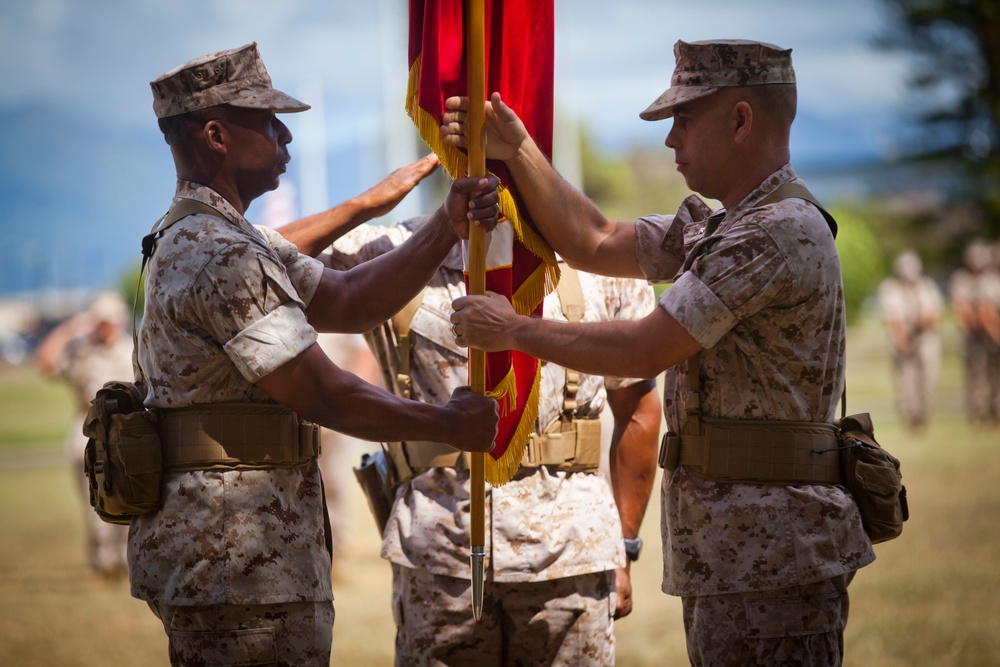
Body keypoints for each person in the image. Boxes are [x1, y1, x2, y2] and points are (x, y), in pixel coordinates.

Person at [445, 39, 874, 665]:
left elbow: (645, 346)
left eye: (685, 118)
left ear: (740, 120)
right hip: (739, 552)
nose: (670, 140)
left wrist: (515, 330)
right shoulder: (728, 225)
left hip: (775, 557)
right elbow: (593, 239)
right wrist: (520, 150)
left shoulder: (775, 232)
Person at [136, 42, 500, 666]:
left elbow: (352, 299)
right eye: (268, 122)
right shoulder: (219, 252)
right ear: (217, 136)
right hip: (235, 567)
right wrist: (447, 425)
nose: (285, 137)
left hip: (242, 559)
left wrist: (447, 224)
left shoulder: (225, 237)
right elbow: (320, 390)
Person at [322, 217, 661, 666]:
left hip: (568, 554)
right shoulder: (389, 251)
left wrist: (626, 543)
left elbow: (637, 408)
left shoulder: (599, 258)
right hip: (440, 556)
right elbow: (259, 260)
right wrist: (376, 200)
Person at [35, 290, 133, 579]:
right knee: (94, 502)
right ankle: (103, 562)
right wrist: (67, 330)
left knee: (130, 496)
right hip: (86, 433)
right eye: (101, 321)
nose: (107, 327)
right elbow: (46, 363)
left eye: (111, 320)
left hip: (126, 432)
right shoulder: (81, 351)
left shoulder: (131, 348)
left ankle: (125, 559)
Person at [876, 250, 943, 430]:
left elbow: (935, 314)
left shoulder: (927, 286)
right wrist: (903, 334)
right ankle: (910, 419)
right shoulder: (890, 288)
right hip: (901, 341)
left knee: (928, 378)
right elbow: (890, 316)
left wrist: (922, 321)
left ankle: (924, 416)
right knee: (906, 382)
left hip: (925, 339)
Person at [950, 240, 1000, 426]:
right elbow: (971, 310)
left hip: (991, 335)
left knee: (994, 374)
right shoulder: (961, 279)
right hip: (975, 336)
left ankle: (994, 410)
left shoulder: (991, 279)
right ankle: (978, 412)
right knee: (976, 374)